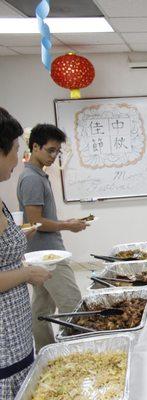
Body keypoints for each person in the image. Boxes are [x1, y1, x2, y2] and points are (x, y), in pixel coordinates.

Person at [17, 123, 86, 351]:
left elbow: (39, 218)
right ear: (35, 146)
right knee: (73, 305)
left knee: (41, 309)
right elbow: (35, 221)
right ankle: (79, 351)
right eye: (50, 150)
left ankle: (47, 350)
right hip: (49, 256)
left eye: (57, 151)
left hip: (40, 252)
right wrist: (67, 225)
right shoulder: (32, 179)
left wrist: (65, 223)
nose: (54, 156)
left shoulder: (37, 175)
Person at [0, 108, 51, 398]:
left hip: (15, 325)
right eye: (16, 149)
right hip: (4, 333)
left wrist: (17, 236)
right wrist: (28, 273)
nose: (19, 159)